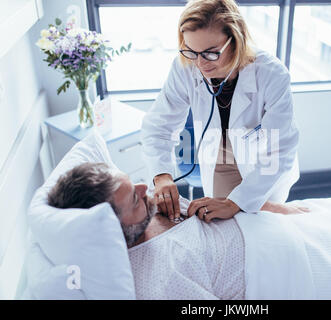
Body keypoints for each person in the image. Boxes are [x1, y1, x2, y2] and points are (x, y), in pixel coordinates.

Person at [47, 162, 308, 299]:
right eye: (134, 199)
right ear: (113, 230)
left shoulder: (155, 209)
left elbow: (227, 210)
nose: (143, 187)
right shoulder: (158, 283)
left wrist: (276, 209)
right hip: (293, 267)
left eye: (133, 182)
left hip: (285, 227)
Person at [141, 0, 301, 223]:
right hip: (219, 151)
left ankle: (282, 211)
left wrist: (236, 202)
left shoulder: (271, 74)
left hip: (261, 159)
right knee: (221, 221)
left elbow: (279, 149)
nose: (200, 64)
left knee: (259, 218)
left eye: (210, 53)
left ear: (236, 40)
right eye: (192, 51)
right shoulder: (185, 67)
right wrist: (161, 175)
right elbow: (158, 126)